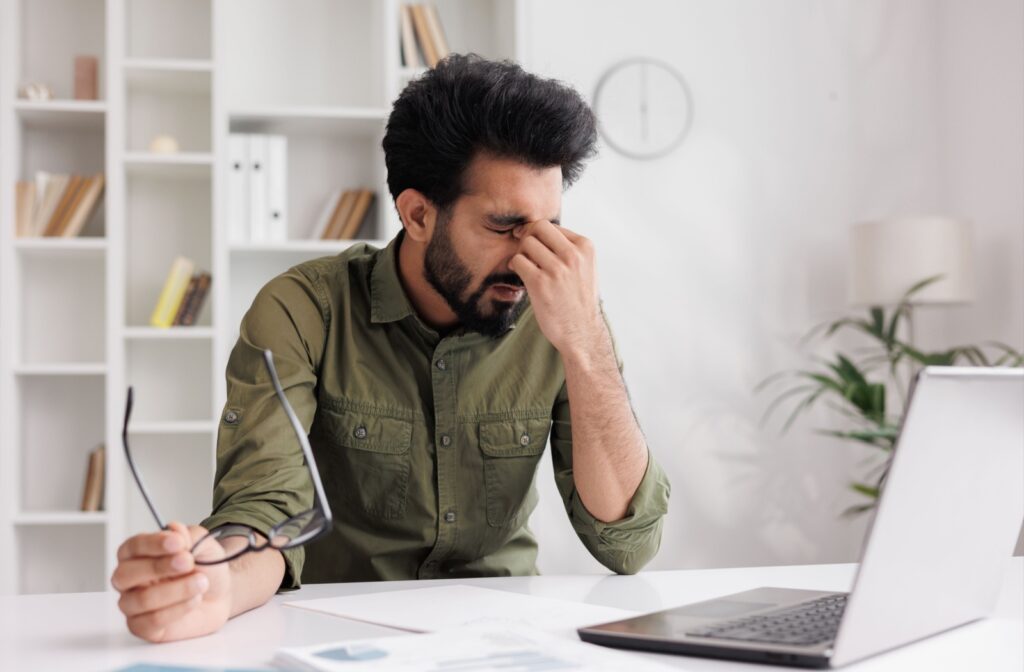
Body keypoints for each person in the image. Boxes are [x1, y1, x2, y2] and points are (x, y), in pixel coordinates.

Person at [111, 54, 671, 643]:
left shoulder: (563, 310)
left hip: (505, 640)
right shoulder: (303, 311)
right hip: (337, 638)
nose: (531, 255)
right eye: (505, 226)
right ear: (419, 213)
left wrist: (585, 343)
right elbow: (266, 510)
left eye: (549, 224)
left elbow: (626, 545)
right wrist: (215, 584)